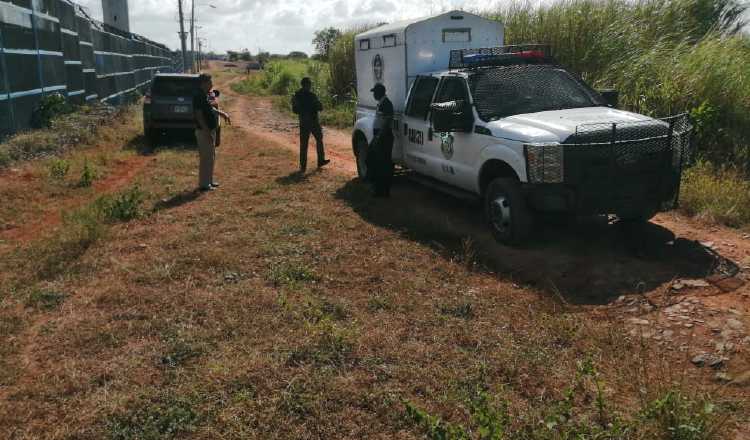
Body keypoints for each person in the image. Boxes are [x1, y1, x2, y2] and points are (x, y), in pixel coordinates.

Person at [194, 74, 231, 192]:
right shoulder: (198, 96)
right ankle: (204, 185)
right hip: (203, 131)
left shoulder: (204, 95)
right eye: (209, 82)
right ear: (203, 83)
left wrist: (222, 113)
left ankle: (208, 181)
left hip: (208, 130)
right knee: (206, 158)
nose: (211, 84)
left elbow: (210, 109)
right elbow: (199, 116)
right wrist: (207, 132)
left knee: (211, 157)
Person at [292, 77, 329, 172]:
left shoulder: (297, 95)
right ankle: (320, 160)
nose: (310, 86)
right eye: (309, 84)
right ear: (307, 85)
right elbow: (320, 107)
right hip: (313, 121)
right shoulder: (312, 95)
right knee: (319, 140)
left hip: (304, 122)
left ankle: (303, 166)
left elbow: (295, 110)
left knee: (304, 144)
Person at [367, 83, 394, 197]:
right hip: (380, 136)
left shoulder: (386, 104)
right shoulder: (381, 103)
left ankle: (383, 190)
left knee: (383, 164)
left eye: (374, 92)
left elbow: (387, 122)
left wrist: (378, 137)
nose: (373, 95)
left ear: (379, 93)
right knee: (375, 161)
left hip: (383, 137)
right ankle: (379, 188)